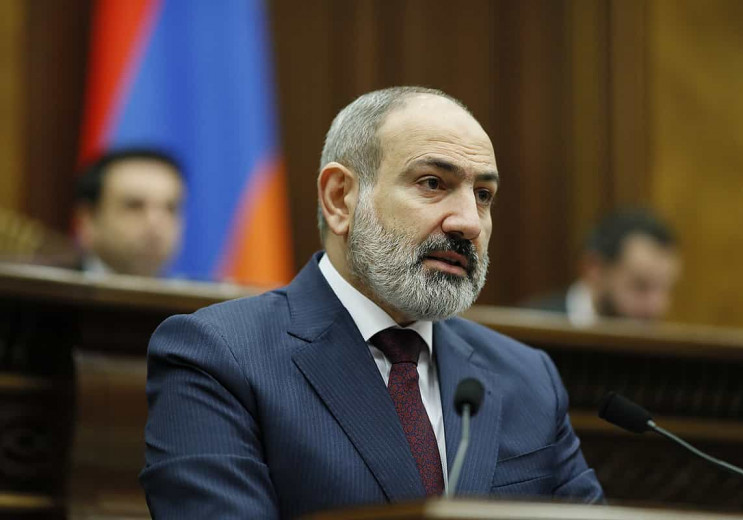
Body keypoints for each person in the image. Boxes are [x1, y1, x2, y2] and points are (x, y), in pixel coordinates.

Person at [141, 87, 603, 518]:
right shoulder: (219, 356)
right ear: (340, 199)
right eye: (432, 183)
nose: (469, 222)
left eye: (483, 195)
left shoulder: (527, 378)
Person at [525, 209, 681, 326]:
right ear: (594, 269)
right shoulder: (533, 327)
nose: (657, 306)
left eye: (665, 288)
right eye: (640, 286)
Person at [74, 149, 184, 277]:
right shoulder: (54, 287)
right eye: (135, 206)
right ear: (87, 220)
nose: (156, 224)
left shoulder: (197, 289)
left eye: (170, 208)